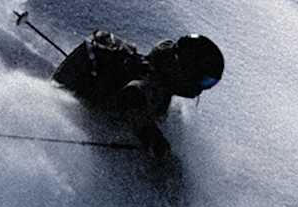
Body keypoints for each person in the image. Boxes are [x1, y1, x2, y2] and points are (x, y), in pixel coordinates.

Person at [51, 30, 224, 157]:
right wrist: (152, 138)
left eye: (211, 83)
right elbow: (133, 96)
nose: (204, 88)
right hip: (85, 112)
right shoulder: (152, 82)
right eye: (205, 81)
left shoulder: (155, 75)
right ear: (185, 72)